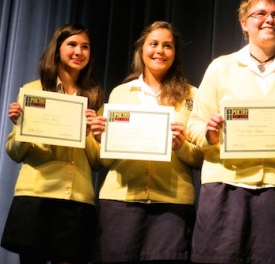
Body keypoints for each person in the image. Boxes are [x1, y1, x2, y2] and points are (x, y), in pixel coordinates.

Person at [187, 0, 275, 263]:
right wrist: (210, 133)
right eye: (260, 14)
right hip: (225, 185)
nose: (269, 20)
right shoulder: (220, 68)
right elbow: (195, 124)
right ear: (244, 23)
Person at [91, 21, 203, 263]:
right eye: (153, 44)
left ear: (175, 53)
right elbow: (106, 159)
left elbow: (199, 158)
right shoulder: (121, 93)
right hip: (121, 199)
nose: (160, 51)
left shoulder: (192, 96)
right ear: (142, 49)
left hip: (172, 204)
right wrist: (102, 139)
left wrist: (180, 145)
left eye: (168, 46)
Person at [1, 23, 105, 264]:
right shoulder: (32, 90)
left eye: (85, 47)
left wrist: (92, 133)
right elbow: (15, 153)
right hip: (36, 197)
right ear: (57, 49)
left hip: (77, 200)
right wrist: (21, 128)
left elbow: (97, 161)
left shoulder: (94, 96)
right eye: (72, 44)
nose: (79, 52)